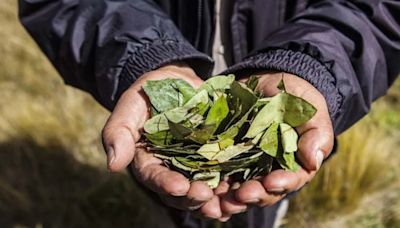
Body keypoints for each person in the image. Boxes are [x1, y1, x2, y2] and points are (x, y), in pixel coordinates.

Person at [19, 0, 400, 227]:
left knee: (259, 205)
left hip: (269, 153)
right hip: (170, 149)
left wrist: (311, 64)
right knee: (177, 204)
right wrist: (141, 55)